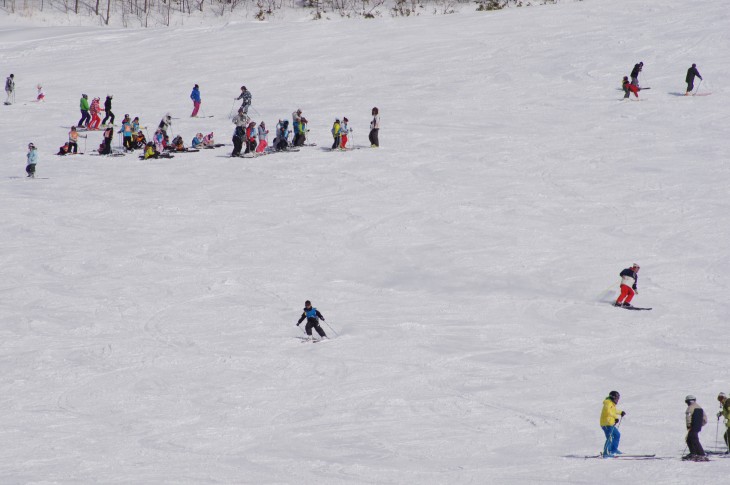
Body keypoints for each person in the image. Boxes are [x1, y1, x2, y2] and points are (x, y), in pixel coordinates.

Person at [600, 390, 625, 457]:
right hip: (606, 424)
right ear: (613, 397)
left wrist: (620, 412)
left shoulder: (611, 403)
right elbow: (608, 412)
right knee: (610, 437)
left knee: (617, 435)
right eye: (616, 398)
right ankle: (606, 453)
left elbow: (614, 411)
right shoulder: (608, 403)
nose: (617, 400)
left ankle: (613, 450)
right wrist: (615, 417)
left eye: (618, 399)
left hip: (610, 424)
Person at [684, 395, 708, 461]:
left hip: (692, 426)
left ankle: (700, 454)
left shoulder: (690, 408)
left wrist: (689, 425)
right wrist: (700, 425)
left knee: (693, 440)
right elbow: (705, 419)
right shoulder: (699, 407)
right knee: (690, 439)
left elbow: (688, 417)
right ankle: (694, 453)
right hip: (697, 427)